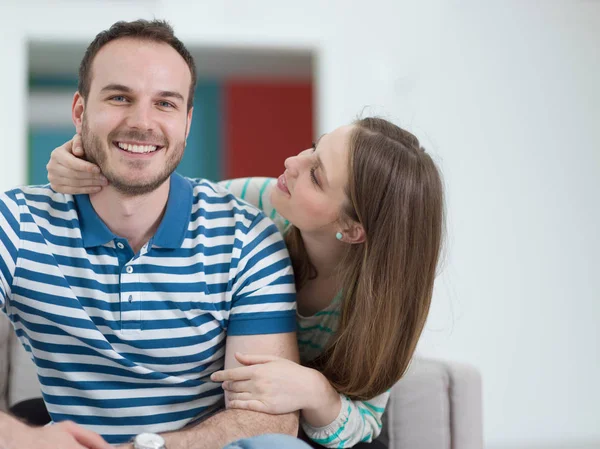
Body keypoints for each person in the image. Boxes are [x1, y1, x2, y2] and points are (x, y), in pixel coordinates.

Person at [47, 114, 445, 448]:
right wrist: (84, 161)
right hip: (217, 409)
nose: (292, 161)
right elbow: (156, 202)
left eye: (317, 175)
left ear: (352, 228)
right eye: (313, 148)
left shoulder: (383, 307)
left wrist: (314, 390)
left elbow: (365, 423)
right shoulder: (258, 202)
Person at [0, 19, 306, 449]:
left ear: (186, 122)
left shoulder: (246, 238)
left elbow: (269, 420)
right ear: (80, 111)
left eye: (165, 104)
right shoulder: (15, 224)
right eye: (120, 97)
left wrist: (146, 447)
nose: (142, 122)